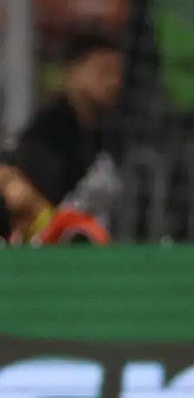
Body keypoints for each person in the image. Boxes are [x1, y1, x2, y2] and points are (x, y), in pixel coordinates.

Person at [0, 34, 124, 244]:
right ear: (73, 72)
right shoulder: (48, 134)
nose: (114, 82)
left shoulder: (109, 134)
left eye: (117, 74)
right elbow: (22, 199)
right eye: (103, 72)